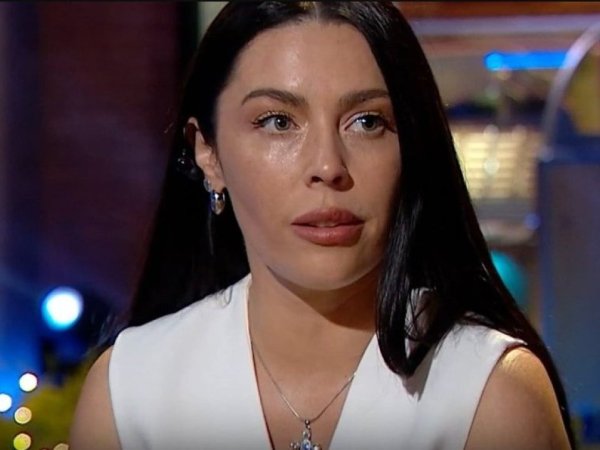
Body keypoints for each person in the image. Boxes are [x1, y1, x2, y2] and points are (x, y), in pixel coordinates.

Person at [69, 2, 574, 449]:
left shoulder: (489, 390)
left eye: (367, 122)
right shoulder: (131, 391)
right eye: (277, 122)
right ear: (209, 153)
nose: (329, 166)